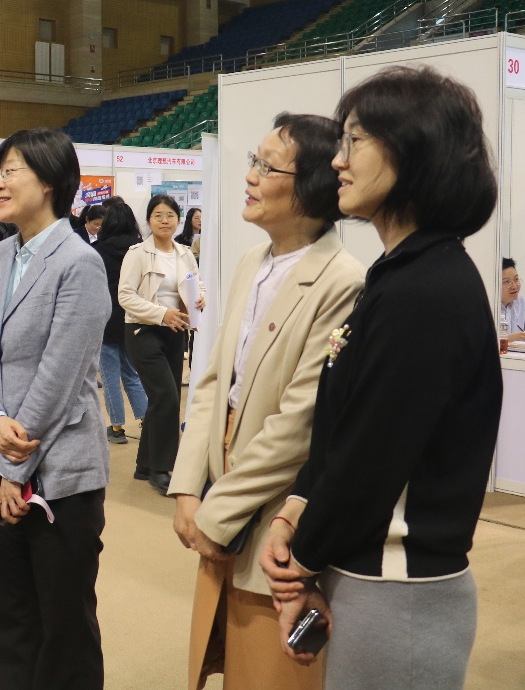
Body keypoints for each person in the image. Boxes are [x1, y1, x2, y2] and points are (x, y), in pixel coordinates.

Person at [261, 66, 501, 690]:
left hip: (401, 592)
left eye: (355, 140)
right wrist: (294, 514)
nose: (338, 161)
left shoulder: (427, 290)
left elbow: (371, 457)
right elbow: (342, 431)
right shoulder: (397, 276)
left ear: (414, 149)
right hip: (367, 580)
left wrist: (299, 561)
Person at [166, 113, 364, 690]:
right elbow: (212, 380)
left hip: (276, 503)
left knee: (270, 663)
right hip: (221, 478)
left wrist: (217, 512)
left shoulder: (342, 279)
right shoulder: (252, 261)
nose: (250, 176)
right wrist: (187, 486)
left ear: (312, 188)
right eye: (253, 161)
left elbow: (299, 424)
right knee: (225, 654)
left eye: (267, 166)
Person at [0, 128, 110, 690]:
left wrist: (14, 472)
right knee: (10, 616)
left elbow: (59, 379)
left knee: (63, 625)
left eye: (10, 171)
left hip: (59, 474)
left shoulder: (79, 262)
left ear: (48, 181)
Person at [118, 194, 205, 494]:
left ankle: (144, 465)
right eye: (158, 215)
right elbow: (125, 296)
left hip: (175, 331)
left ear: (178, 220)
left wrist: (201, 297)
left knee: (164, 398)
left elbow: (197, 283)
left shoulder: (184, 253)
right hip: (143, 331)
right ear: (149, 220)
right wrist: (161, 313)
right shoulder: (137, 253)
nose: (164, 221)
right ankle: (161, 468)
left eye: (170, 215)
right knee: (166, 396)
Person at [93, 197, 148, 444]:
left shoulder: (98, 250)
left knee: (110, 377)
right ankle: (146, 420)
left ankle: (116, 427)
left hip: (105, 319)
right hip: (133, 317)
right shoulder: (140, 250)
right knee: (132, 373)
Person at [501, 258, 525, 344]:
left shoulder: (522, 303)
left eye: (516, 279)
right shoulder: (489, 307)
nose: (514, 286)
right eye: (507, 282)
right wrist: (514, 337)